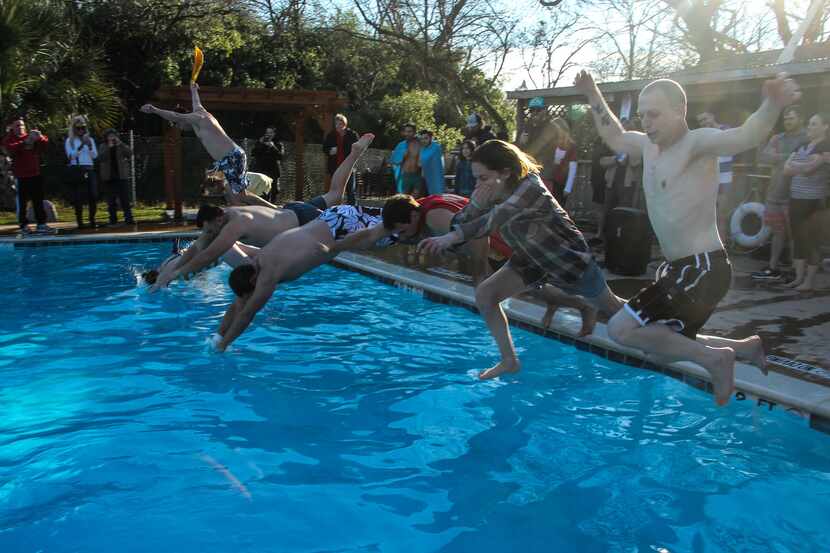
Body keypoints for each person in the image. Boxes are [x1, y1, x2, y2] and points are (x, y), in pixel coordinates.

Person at [575, 70, 798, 405]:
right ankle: (744, 348)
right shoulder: (646, 147)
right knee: (664, 347)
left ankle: (716, 360)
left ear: (680, 110)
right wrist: (592, 92)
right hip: (680, 268)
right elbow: (617, 137)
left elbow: (747, 135)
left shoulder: (697, 143)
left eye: (655, 114)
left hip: (702, 266)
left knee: (621, 329)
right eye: (643, 115)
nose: (647, 123)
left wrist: (772, 104)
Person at [418, 140, 624, 380]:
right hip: (530, 257)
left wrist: (452, 237)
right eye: (476, 179)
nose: (478, 184)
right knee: (486, 295)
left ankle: (661, 323)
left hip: (566, 259)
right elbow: (463, 218)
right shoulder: (494, 189)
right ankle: (509, 361)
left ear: (505, 172)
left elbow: (495, 218)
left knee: (612, 309)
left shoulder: (530, 187)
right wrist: (473, 205)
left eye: (483, 178)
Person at [151, 133, 375, 291]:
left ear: (218, 218)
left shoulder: (235, 224)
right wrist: (171, 273)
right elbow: (199, 247)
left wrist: (172, 275)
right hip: (291, 210)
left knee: (352, 233)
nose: (211, 233)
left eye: (211, 229)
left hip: (304, 225)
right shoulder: (229, 214)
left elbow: (208, 254)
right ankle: (354, 153)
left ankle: (384, 225)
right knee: (335, 194)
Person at [213, 199, 401, 351]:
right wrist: (218, 335)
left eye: (249, 293)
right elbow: (239, 303)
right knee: (395, 210)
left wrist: (222, 346)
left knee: (401, 228)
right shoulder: (260, 258)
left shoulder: (267, 278)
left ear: (254, 280)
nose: (249, 297)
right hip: (333, 215)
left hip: (341, 229)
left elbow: (246, 314)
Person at [141, 83, 270, 208]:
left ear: (183, 119)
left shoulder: (197, 118)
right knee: (236, 195)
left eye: (178, 125)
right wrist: (193, 90)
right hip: (230, 158)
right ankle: (268, 213)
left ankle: (267, 215)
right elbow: (196, 102)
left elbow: (175, 116)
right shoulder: (199, 111)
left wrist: (154, 110)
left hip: (232, 157)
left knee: (238, 197)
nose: (180, 128)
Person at [752, 106, 806, 282]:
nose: (788, 122)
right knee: (777, 232)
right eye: (786, 119)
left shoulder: (807, 138)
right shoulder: (778, 138)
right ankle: (773, 267)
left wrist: (778, 156)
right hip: (775, 193)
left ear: (800, 119)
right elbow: (763, 158)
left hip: (796, 194)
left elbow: (805, 160)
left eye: (791, 118)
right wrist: (788, 155)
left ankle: (795, 270)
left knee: (794, 234)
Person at [781, 112, 829, 291]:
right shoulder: (802, 144)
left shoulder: (826, 145)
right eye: (809, 123)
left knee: (812, 240)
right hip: (796, 198)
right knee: (798, 239)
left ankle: (809, 281)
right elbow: (785, 170)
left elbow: (809, 169)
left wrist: (797, 166)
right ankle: (799, 278)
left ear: (825, 127)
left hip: (813, 200)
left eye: (814, 124)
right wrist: (802, 166)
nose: (810, 127)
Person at [2, 116, 55, 234]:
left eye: (22, 125)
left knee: (38, 200)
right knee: (22, 202)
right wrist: (25, 142)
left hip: (35, 173)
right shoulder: (9, 139)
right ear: (12, 127)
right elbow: (10, 149)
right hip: (21, 176)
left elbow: (45, 143)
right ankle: (23, 225)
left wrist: (39, 137)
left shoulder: (30, 136)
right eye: (17, 125)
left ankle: (41, 224)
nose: (20, 127)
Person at [696, 110, 735, 245]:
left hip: (725, 180)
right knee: (706, 215)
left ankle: (721, 247)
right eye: (701, 121)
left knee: (721, 216)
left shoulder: (727, 130)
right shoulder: (702, 136)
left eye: (705, 119)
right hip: (708, 180)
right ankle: (707, 245)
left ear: (712, 116)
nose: (704, 123)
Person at [64, 115, 99, 229]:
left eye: (83, 128)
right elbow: (70, 157)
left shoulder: (91, 140)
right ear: (74, 129)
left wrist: (88, 145)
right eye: (78, 128)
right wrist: (81, 146)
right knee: (79, 197)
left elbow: (95, 155)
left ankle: (92, 220)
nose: (81, 130)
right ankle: (80, 222)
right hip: (77, 169)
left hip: (89, 168)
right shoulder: (70, 141)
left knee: (93, 196)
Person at [98, 129, 135, 226]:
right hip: (109, 177)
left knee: (125, 199)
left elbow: (130, 153)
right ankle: (113, 220)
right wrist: (109, 148)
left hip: (121, 176)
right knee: (111, 200)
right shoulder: (103, 146)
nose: (111, 137)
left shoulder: (120, 146)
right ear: (106, 137)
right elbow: (101, 158)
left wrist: (120, 144)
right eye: (109, 136)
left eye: (113, 135)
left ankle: (129, 219)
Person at [322, 114, 360, 205]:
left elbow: (357, 148)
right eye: (336, 124)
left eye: (340, 124)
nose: (338, 126)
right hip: (335, 167)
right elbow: (325, 149)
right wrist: (330, 151)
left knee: (350, 190)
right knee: (336, 191)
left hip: (349, 166)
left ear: (345, 124)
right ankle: (336, 209)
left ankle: (352, 211)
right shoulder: (331, 135)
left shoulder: (352, 135)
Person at [545, 118, 577, 204]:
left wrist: (568, 187)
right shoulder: (550, 143)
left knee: (559, 207)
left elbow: (572, 167)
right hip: (548, 180)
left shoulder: (571, 145)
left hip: (561, 182)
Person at [251, 126, 284, 200]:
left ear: (274, 134)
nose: (268, 134)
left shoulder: (278, 144)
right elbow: (253, 153)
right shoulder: (260, 142)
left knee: (274, 190)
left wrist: (273, 147)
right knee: (262, 191)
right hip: (260, 170)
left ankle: (272, 205)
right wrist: (260, 144)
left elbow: (280, 157)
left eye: (270, 132)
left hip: (273, 171)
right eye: (267, 132)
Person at [389, 123, 422, 195]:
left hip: (418, 176)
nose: (407, 134)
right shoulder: (401, 145)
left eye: (410, 131)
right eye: (406, 131)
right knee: (403, 199)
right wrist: (403, 156)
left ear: (414, 132)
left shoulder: (420, 145)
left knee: (418, 200)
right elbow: (393, 161)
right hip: (405, 176)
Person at [418, 130, 445, 195]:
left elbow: (438, 165)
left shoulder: (436, 148)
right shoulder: (421, 148)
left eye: (426, 138)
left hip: (434, 179)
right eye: (421, 139)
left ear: (430, 138)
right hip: (422, 179)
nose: (423, 140)